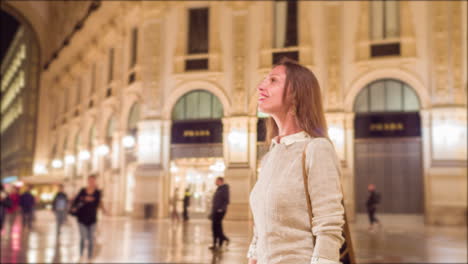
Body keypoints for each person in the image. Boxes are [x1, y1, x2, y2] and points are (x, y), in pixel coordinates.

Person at [247, 58, 345, 264]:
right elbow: (262, 224)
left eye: (273, 80)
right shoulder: (269, 157)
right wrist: (254, 255)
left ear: (295, 94)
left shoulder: (316, 149)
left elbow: (329, 226)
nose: (261, 86)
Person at [70, 174, 107, 261]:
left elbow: (98, 202)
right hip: (81, 218)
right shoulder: (82, 190)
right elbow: (76, 200)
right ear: (87, 181)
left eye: (93, 180)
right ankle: (81, 255)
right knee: (83, 238)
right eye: (90, 180)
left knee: (91, 239)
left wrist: (104, 210)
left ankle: (90, 257)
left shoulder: (97, 192)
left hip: (92, 218)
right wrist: (84, 199)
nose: (91, 182)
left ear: (95, 181)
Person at [209, 177, 230, 251]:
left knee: (216, 227)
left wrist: (220, 209)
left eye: (216, 181)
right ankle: (219, 241)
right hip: (216, 211)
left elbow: (227, 200)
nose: (215, 182)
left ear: (220, 181)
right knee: (216, 227)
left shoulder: (224, 189)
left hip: (220, 211)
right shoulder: (219, 189)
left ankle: (222, 240)